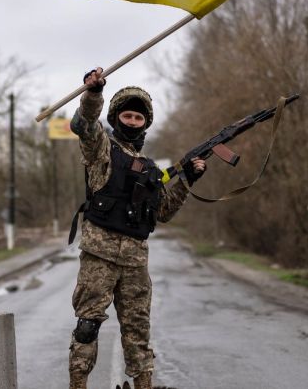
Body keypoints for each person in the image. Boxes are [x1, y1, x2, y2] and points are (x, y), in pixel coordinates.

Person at [67, 68, 206, 389]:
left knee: (138, 332)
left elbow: (164, 212)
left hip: (135, 262)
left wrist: (188, 179)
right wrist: (93, 93)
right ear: (116, 118)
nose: (132, 122)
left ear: (145, 124)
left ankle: (144, 384)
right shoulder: (101, 149)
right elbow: (84, 125)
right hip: (98, 257)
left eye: (138, 118)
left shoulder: (153, 170)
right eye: (127, 116)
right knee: (87, 327)